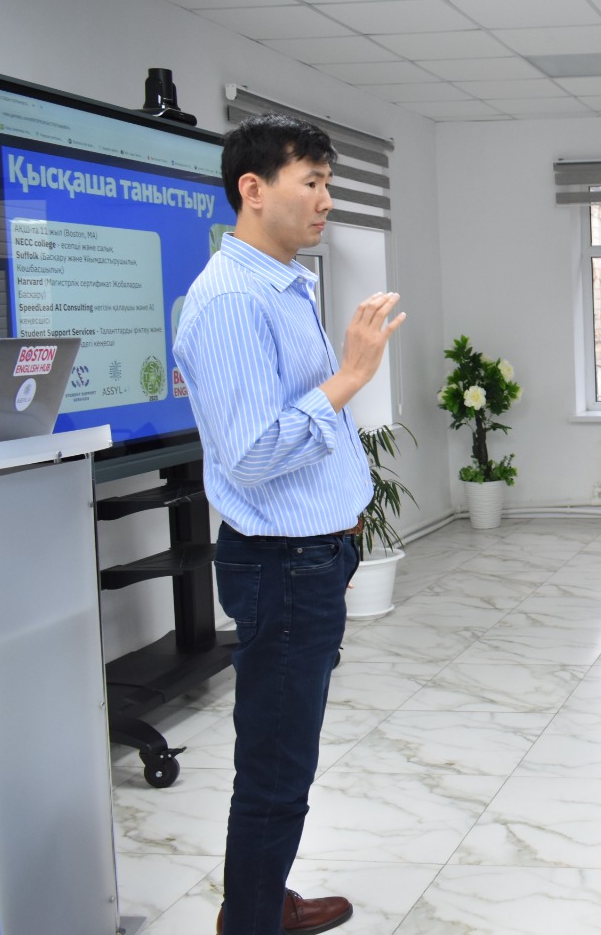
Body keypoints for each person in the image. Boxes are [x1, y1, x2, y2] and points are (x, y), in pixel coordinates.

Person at [174, 114, 404, 935]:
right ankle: (249, 922)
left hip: (312, 557)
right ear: (254, 189)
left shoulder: (280, 283)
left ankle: (261, 901)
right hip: (283, 565)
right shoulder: (231, 302)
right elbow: (253, 453)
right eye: (312, 182)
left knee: (285, 752)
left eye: (329, 183)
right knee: (276, 764)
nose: (326, 200)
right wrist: (350, 375)